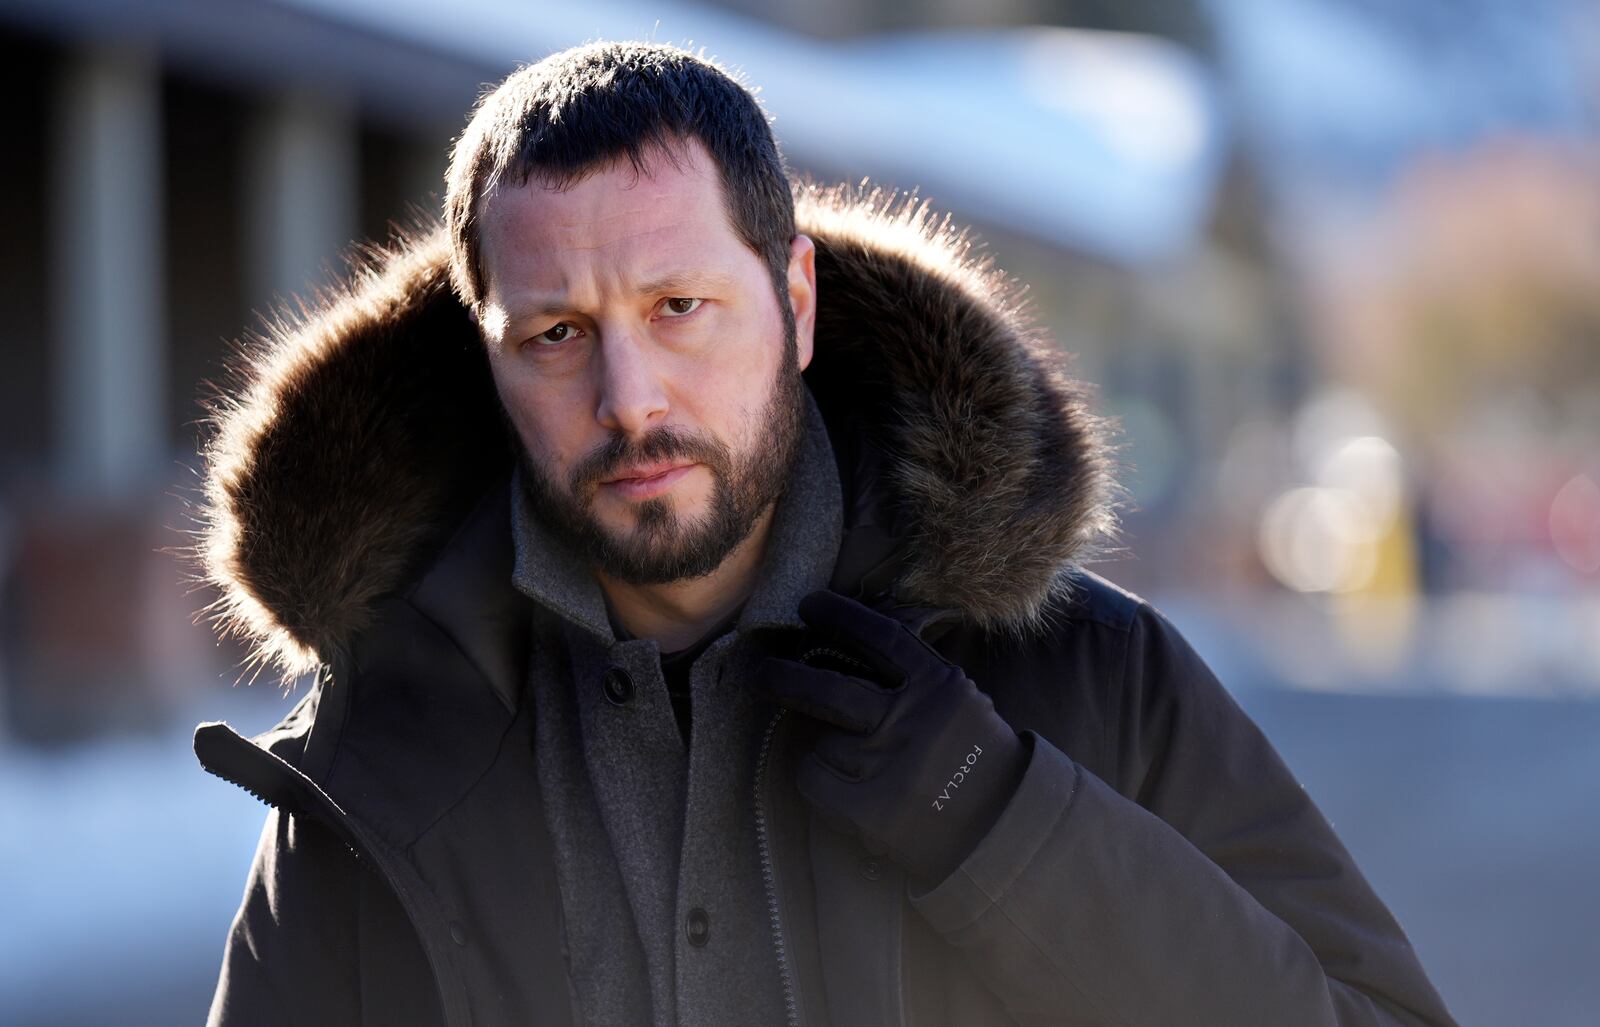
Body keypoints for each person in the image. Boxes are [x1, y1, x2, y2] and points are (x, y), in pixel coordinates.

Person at [193, 41, 1457, 1027]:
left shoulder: (1080, 682)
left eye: (680, 306)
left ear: (794, 302)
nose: (630, 397)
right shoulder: (380, 759)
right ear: (489, 359)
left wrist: (1003, 827)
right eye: (555, 334)